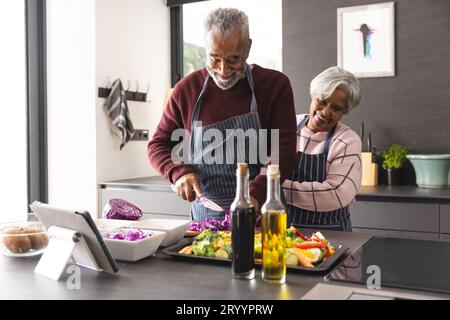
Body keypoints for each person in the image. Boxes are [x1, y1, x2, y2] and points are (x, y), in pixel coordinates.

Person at [147, 8, 297, 220]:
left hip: (261, 210)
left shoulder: (274, 85)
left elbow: (284, 149)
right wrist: (178, 172)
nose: (223, 70)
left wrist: (255, 194)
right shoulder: (187, 89)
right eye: (214, 58)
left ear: (248, 47)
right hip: (206, 215)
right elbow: (158, 145)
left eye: (233, 59)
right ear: (205, 48)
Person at [282, 66, 362, 232]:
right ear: (313, 95)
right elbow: (264, 168)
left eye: (336, 108)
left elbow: (336, 194)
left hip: (330, 236)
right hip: (285, 232)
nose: (326, 112)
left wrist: (275, 190)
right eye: (322, 101)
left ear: (344, 111)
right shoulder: (286, 125)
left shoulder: (347, 140)